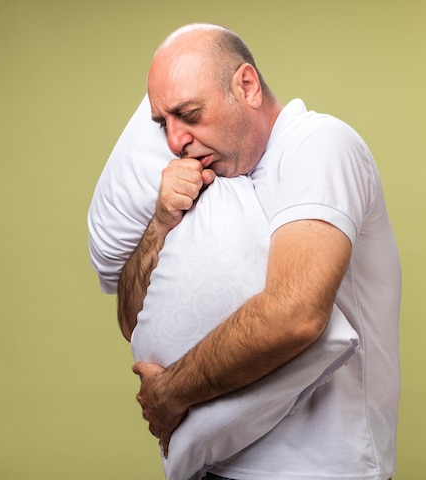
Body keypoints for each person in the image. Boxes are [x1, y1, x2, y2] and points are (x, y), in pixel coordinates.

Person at [116, 23, 401, 480]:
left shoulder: (319, 145)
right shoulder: (215, 178)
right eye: (163, 123)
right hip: (213, 467)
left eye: (189, 114)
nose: (174, 141)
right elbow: (134, 323)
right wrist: (160, 223)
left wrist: (170, 393)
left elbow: (296, 313)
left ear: (245, 86)